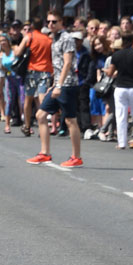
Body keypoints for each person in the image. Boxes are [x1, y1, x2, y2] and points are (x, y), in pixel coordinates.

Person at [34, 11, 83, 167]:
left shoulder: (66, 38)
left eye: (54, 22)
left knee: (70, 120)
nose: (50, 24)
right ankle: (45, 153)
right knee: (41, 115)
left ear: (61, 22)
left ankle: (76, 156)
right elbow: (57, 64)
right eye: (48, 21)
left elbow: (67, 63)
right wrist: (53, 85)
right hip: (58, 84)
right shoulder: (53, 38)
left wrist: (59, 85)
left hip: (68, 85)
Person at [107, 37, 133, 150]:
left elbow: (110, 72)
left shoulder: (116, 55)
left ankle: (122, 143)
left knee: (121, 116)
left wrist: (105, 71)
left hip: (120, 87)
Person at [13, 18, 51, 137]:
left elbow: (18, 53)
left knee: (28, 100)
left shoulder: (29, 37)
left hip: (32, 70)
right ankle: (42, 126)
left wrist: (14, 47)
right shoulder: (48, 39)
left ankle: (27, 126)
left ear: (33, 26)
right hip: (45, 70)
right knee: (42, 100)